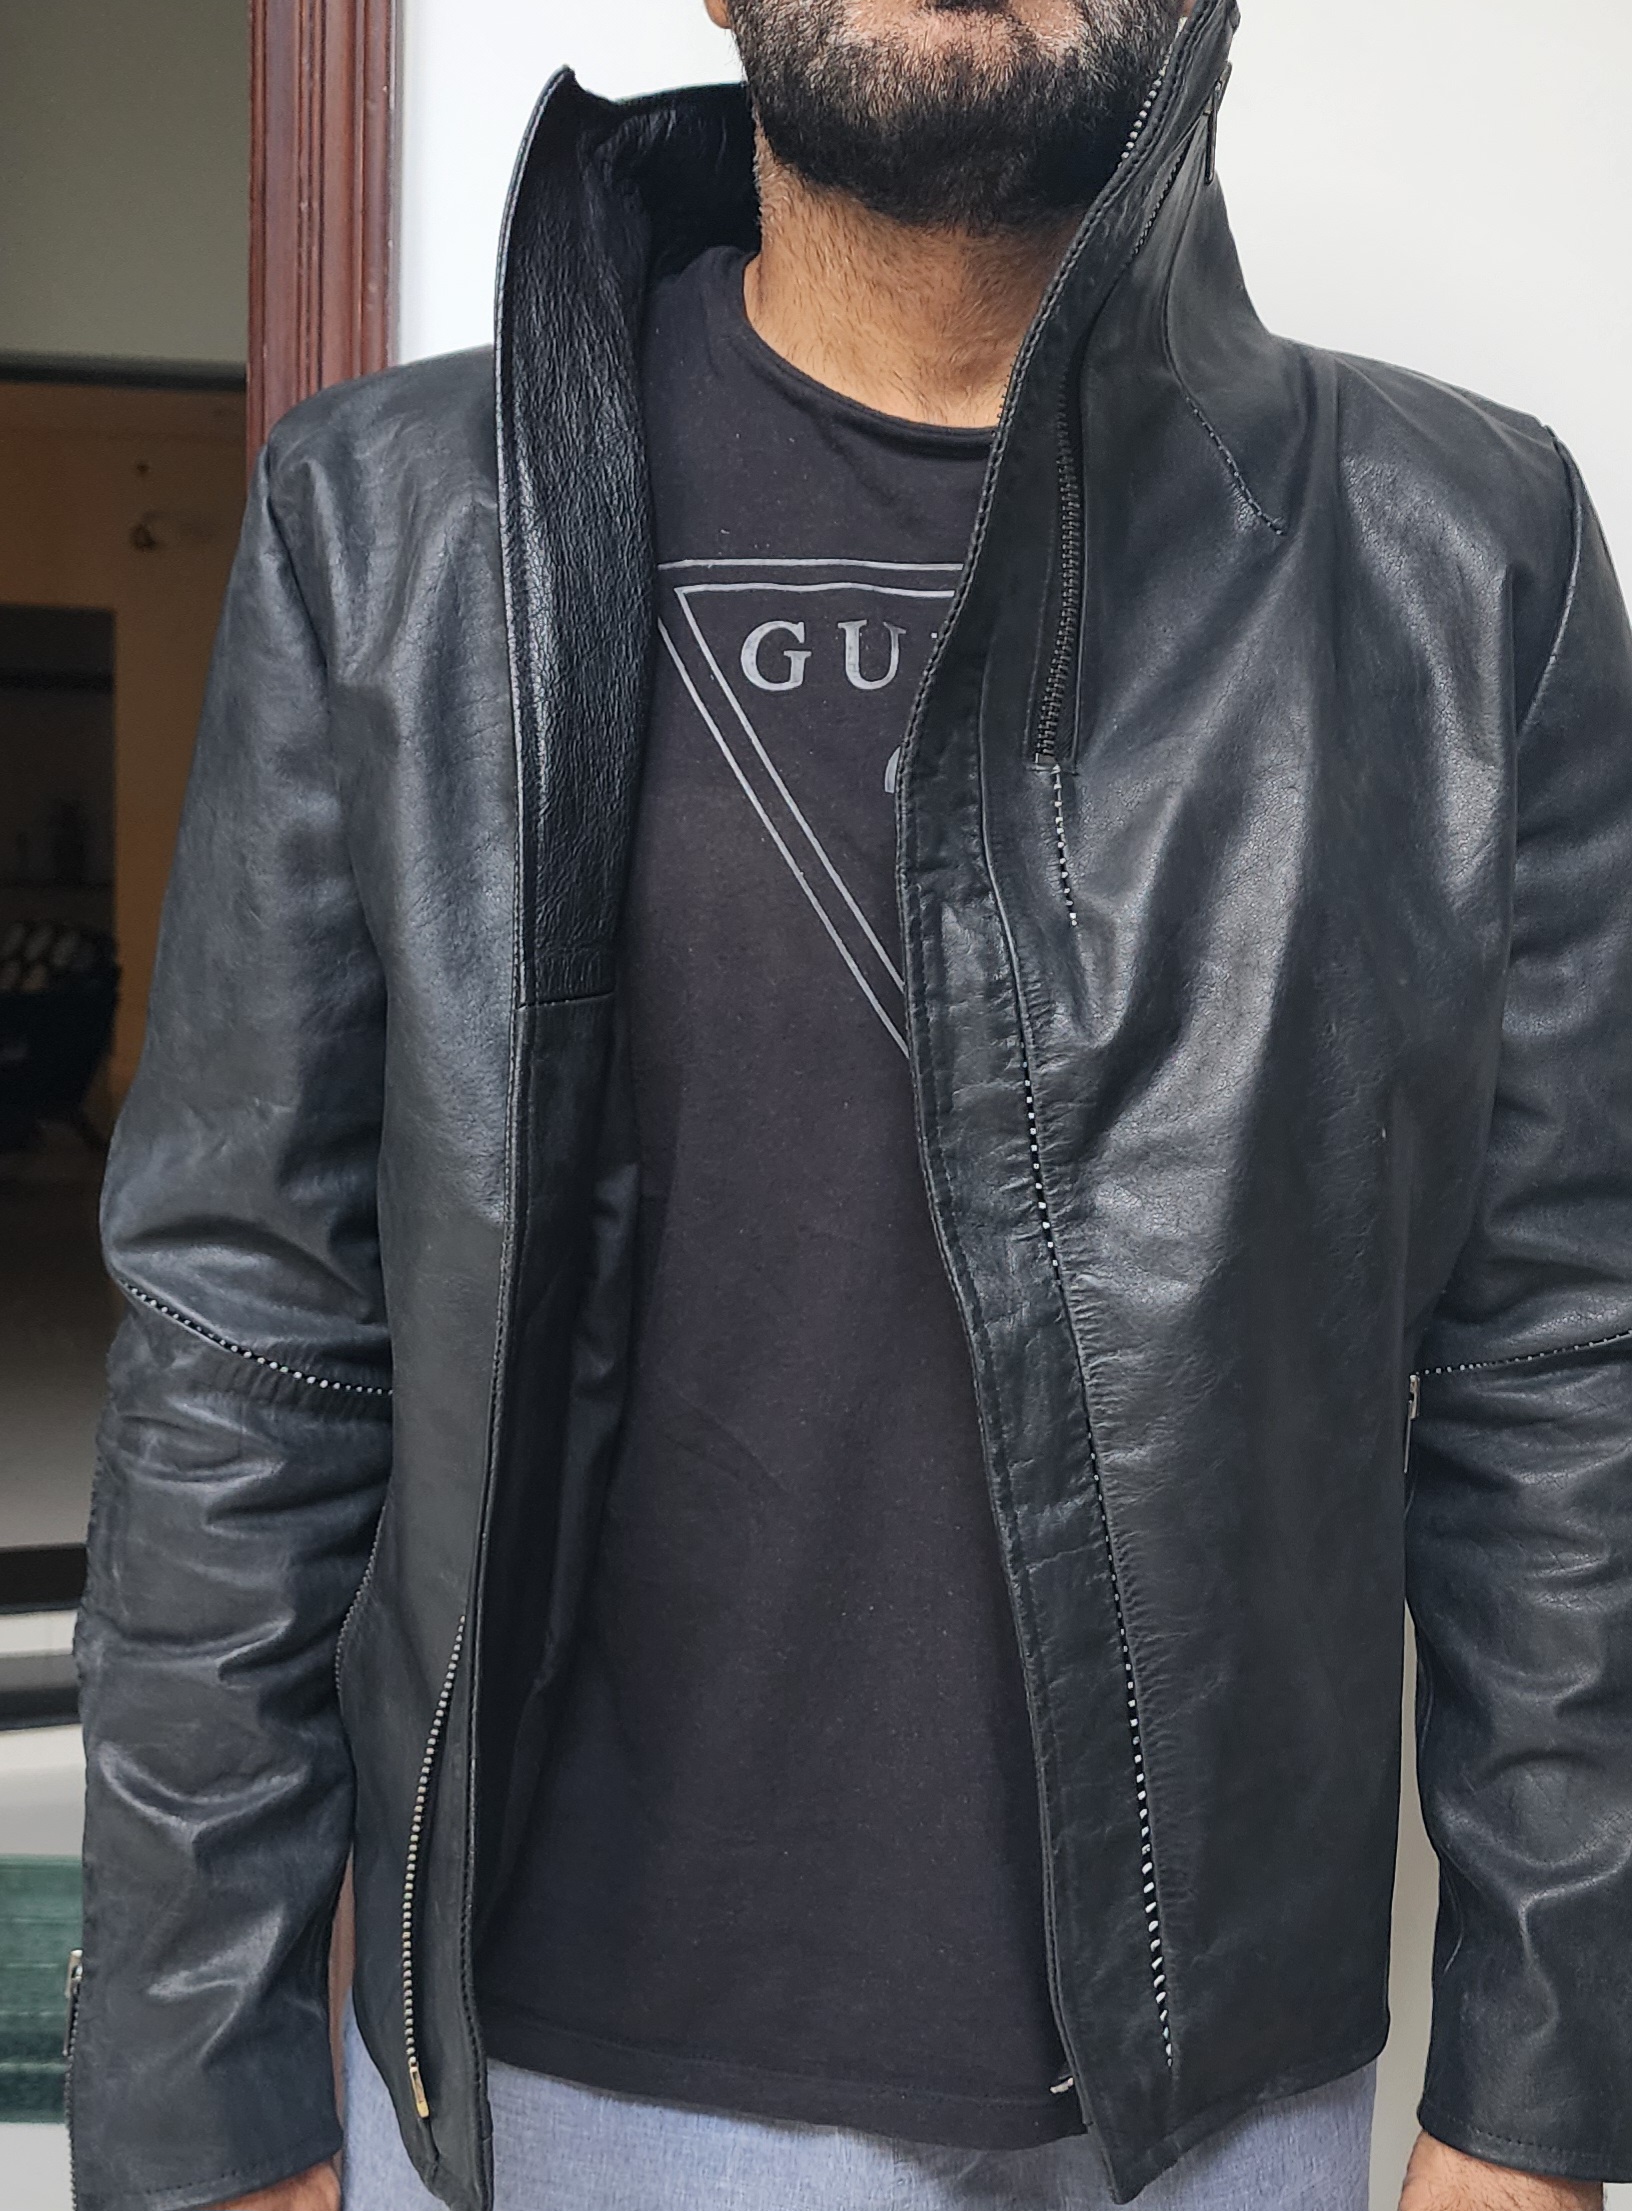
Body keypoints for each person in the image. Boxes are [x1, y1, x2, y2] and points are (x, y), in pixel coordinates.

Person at [67, 0, 1632, 2206]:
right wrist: (193, 2076)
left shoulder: (1464, 555)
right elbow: (251, 1341)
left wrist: (1543, 2086)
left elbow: (1561, 1361)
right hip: (545, 2083)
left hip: (1210, 2105)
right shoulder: (394, 526)